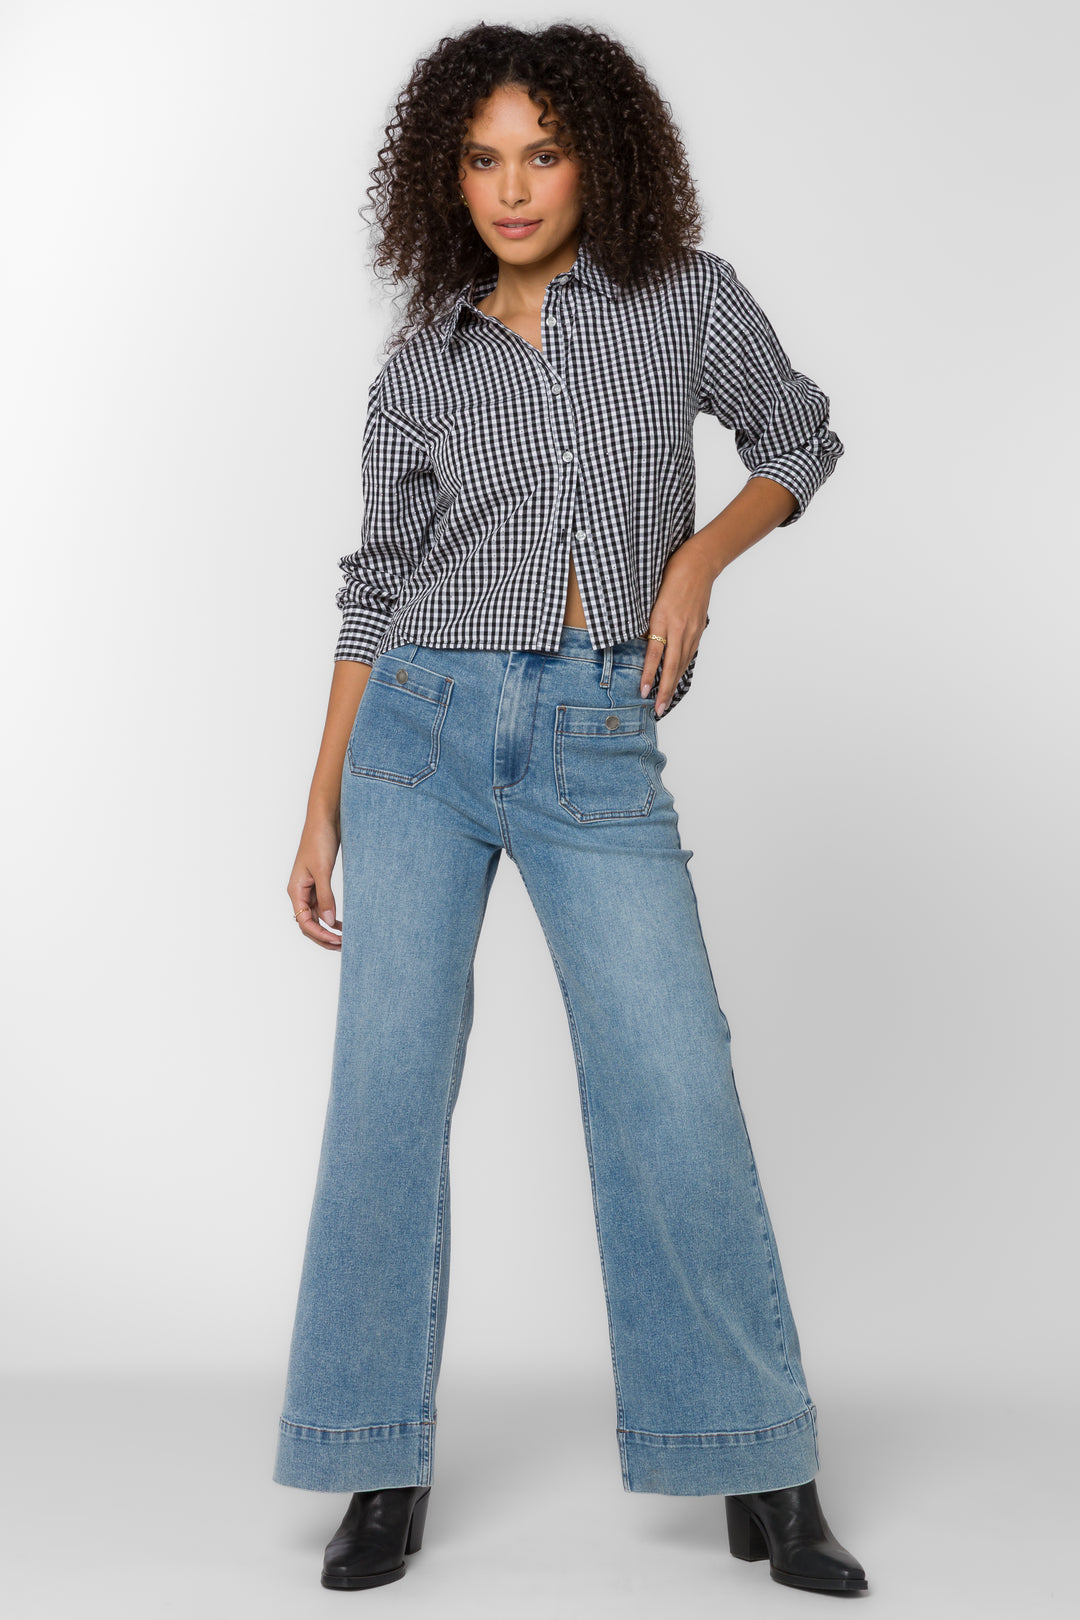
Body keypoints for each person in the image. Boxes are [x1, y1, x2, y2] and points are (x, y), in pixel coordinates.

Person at [274, 20, 868, 1598]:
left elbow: (799, 435)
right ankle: (376, 1465)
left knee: (674, 1083)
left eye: (542, 152)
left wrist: (695, 563)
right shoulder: (423, 364)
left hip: (595, 727)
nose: (515, 186)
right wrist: (321, 805)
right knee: (385, 1097)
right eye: (484, 158)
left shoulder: (682, 301)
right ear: (446, 177)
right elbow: (374, 588)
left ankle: (760, 1464)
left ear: (597, 156)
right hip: (417, 737)